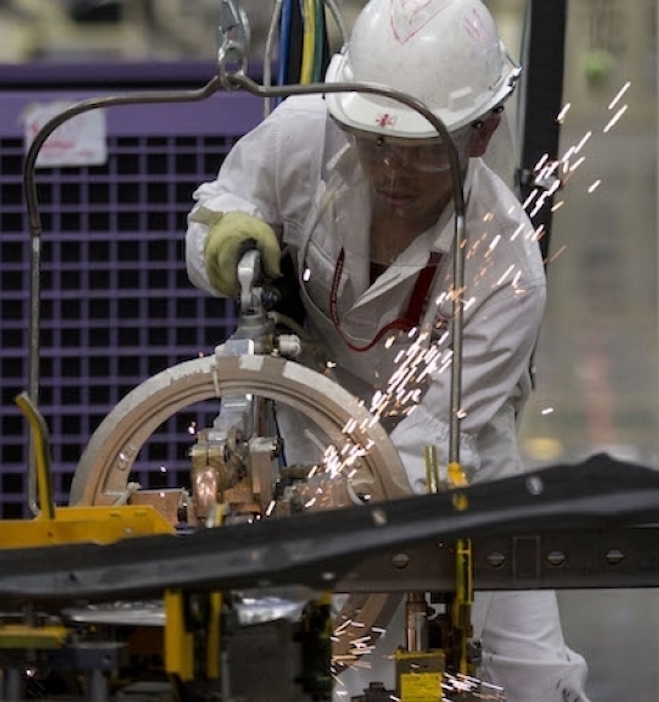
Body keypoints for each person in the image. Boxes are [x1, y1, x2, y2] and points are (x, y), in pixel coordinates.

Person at [183, 0, 591, 700]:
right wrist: (225, 244)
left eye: (426, 151)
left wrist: (329, 504)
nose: (394, 172)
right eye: (376, 144)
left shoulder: (507, 269)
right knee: (318, 665)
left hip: (456, 455)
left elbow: (420, 449)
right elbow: (218, 206)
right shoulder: (304, 137)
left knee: (531, 678)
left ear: (482, 133)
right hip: (314, 421)